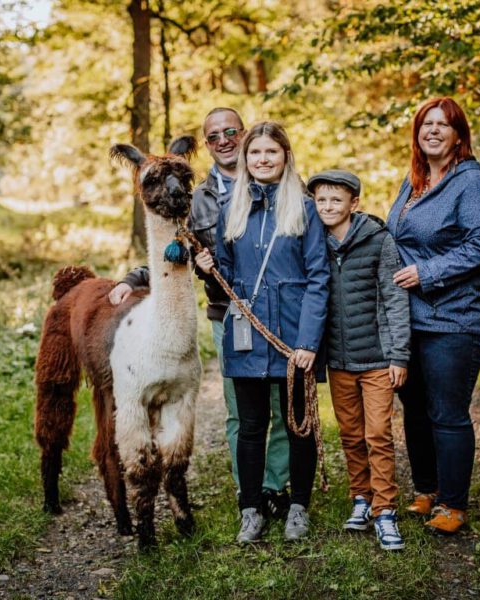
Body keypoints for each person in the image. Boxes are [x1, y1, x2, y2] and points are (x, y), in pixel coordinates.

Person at [108, 108, 291, 517]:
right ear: (206, 145)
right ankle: (249, 493)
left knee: (283, 407)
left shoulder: (278, 185)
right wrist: (132, 279)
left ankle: (275, 487)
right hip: (230, 314)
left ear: (244, 134)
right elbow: (170, 247)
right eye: (214, 136)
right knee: (240, 409)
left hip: (282, 313)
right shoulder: (195, 198)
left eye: (231, 131)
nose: (224, 140)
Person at [195, 121, 329, 543]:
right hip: (247, 334)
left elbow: (318, 278)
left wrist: (308, 342)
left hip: (292, 336)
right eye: (256, 152)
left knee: (298, 424)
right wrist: (209, 270)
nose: (263, 159)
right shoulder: (231, 209)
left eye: (271, 151)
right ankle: (250, 509)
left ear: (285, 156)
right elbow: (229, 277)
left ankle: (298, 507)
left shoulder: (305, 209)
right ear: (246, 158)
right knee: (251, 424)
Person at [386, 97, 480, 535]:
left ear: (458, 136)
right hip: (411, 316)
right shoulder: (414, 180)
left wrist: (428, 272)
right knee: (414, 407)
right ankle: (427, 489)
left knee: (446, 411)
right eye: (426, 124)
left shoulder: (471, 181)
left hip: (456, 317)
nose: (433, 130)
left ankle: (454, 504)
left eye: (443, 124)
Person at [308, 169, 410, 551]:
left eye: (336, 200)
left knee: (378, 434)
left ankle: (385, 510)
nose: (327, 206)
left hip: (378, 360)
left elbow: (395, 299)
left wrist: (399, 355)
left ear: (354, 203)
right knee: (351, 435)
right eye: (321, 200)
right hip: (338, 362)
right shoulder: (314, 243)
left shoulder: (379, 241)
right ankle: (361, 497)